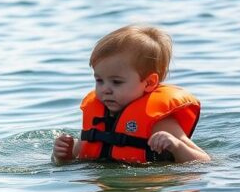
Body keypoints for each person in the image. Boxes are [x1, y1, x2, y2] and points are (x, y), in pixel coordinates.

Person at [52, 25, 210, 164]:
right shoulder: (98, 117)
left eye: (116, 82)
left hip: (143, 184)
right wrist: (62, 155)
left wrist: (176, 145)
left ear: (148, 83)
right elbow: (78, 157)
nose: (105, 89)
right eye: (99, 80)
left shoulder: (160, 123)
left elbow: (204, 161)